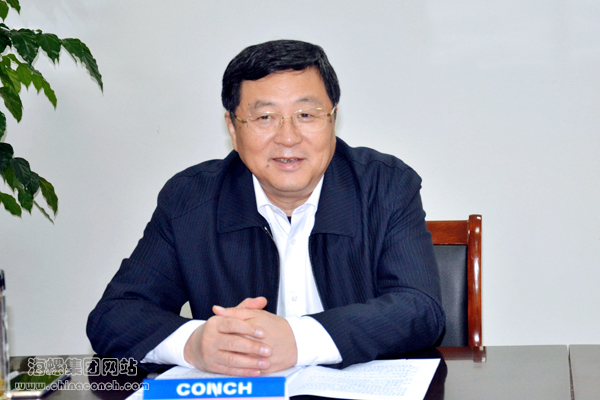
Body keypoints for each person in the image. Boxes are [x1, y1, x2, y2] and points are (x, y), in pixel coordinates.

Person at [87, 39, 445, 377]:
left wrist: (298, 340)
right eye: (265, 118)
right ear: (233, 128)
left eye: (306, 114)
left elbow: (420, 308)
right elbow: (114, 315)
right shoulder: (190, 200)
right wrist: (194, 344)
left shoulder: (385, 187)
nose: (288, 138)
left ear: (332, 119)